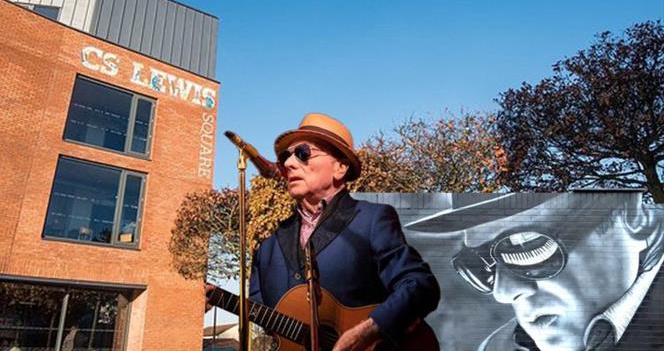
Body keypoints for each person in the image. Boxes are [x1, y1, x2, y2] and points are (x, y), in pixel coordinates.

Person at [249, 113, 441, 351]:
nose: (289, 164)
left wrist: (370, 330)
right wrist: (212, 297)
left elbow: (420, 285)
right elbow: (262, 314)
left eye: (303, 153)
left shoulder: (372, 219)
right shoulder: (266, 248)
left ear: (340, 167)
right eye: (285, 157)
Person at [406, 192, 664, 350]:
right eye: (476, 264)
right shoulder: (498, 348)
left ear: (633, 216)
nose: (503, 292)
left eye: (525, 247)